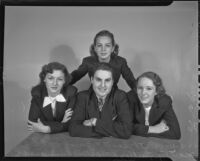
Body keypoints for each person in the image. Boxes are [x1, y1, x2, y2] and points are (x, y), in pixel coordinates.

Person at [69, 63, 132, 139]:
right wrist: (110, 130)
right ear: (92, 80)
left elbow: (126, 131)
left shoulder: (120, 96)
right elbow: (74, 129)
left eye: (107, 80)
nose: (103, 85)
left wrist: (95, 122)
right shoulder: (82, 97)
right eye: (98, 80)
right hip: (88, 146)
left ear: (112, 82)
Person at [69, 30, 136, 90]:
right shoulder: (88, 61)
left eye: (107, 45)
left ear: (112, 48)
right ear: (95, 48)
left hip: (114, 96)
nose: (103, 49)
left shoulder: (121, 62)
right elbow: (75, 76)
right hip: (94, 96)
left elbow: (132, 82)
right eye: (99, 45)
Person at [127, 71, 181, 139]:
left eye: (149, 88)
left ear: (156, 91)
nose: (143, 93)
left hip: (155, 147)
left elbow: (175, 134)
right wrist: (152, 129)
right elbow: (125, 128)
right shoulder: (130, 98)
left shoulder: (164, 101)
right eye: (140, 88)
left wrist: (141, 132)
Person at [27, 62, 77, 133]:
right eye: (50, 78)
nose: (54, 83)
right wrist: (62, 123)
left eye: (59, 79)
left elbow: (73, 123)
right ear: (44, 79)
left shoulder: (71, 93)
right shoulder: (37, 93)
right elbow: (32, 123)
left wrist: (47, 129)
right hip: (43, 139)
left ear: (64, 81)